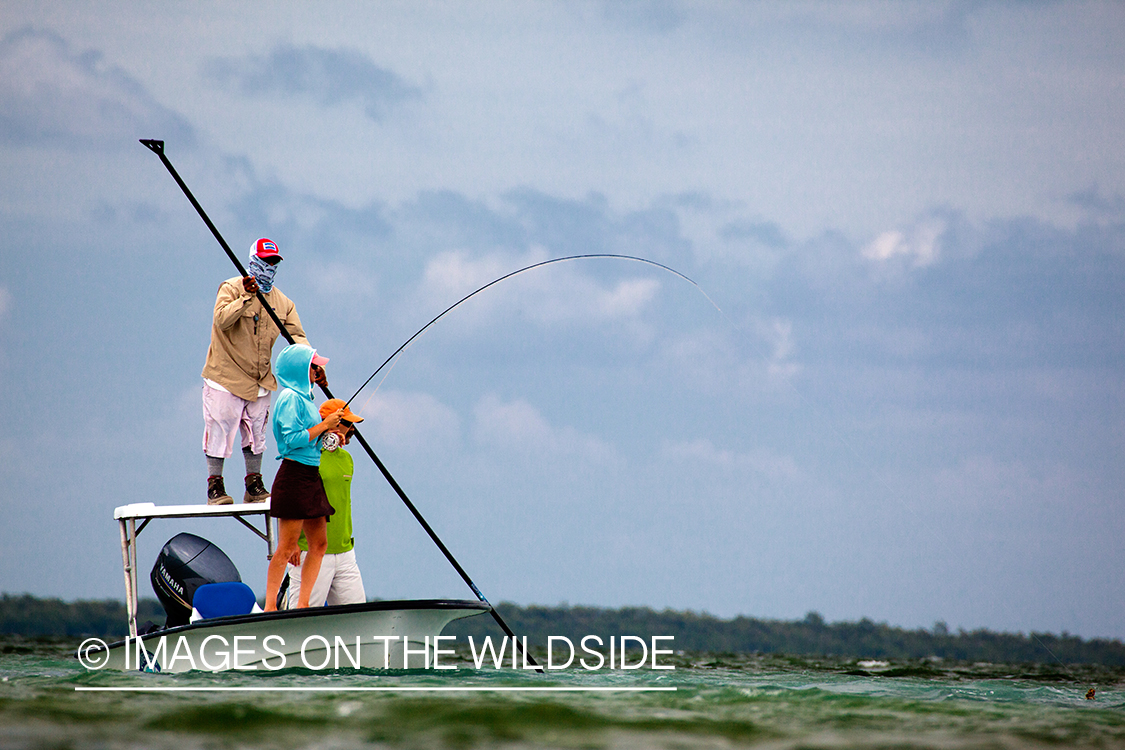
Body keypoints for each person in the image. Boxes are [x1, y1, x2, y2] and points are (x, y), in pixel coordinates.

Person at [200, 238, 324, 505]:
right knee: (220, 430)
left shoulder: (283, 303)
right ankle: (215, 487)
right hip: (225, 376)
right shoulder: (230, 288)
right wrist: (246, 296)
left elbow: (297, 339)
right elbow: (221, 320)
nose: (269, 267)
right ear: (253, 261)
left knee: (257, 435)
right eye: (264, 261)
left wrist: (312, 365)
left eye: (273, 262)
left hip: (260, 379)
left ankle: (253, 484)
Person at [264, 344, 344, 611]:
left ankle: (303, 604)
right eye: (313, 366)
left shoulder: (305, 398)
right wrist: (324, 425)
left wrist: (329, 436)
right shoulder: (289, 398)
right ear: (300, 369)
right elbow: (291, 440)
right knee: (286, 547)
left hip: (310, 474)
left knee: (319, 544)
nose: (317, 370)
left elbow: (309, 440)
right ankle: (270, 606)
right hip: (294, 475)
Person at [284, 399, 367, 608]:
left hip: (345, 551)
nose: (351, 430)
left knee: (357, 615)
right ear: (331, 422)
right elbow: (288, 497)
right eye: (347, 424)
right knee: (302, 615)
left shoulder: (347, 458)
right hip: (309, 551)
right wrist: (291, 542)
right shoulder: (304, 455)